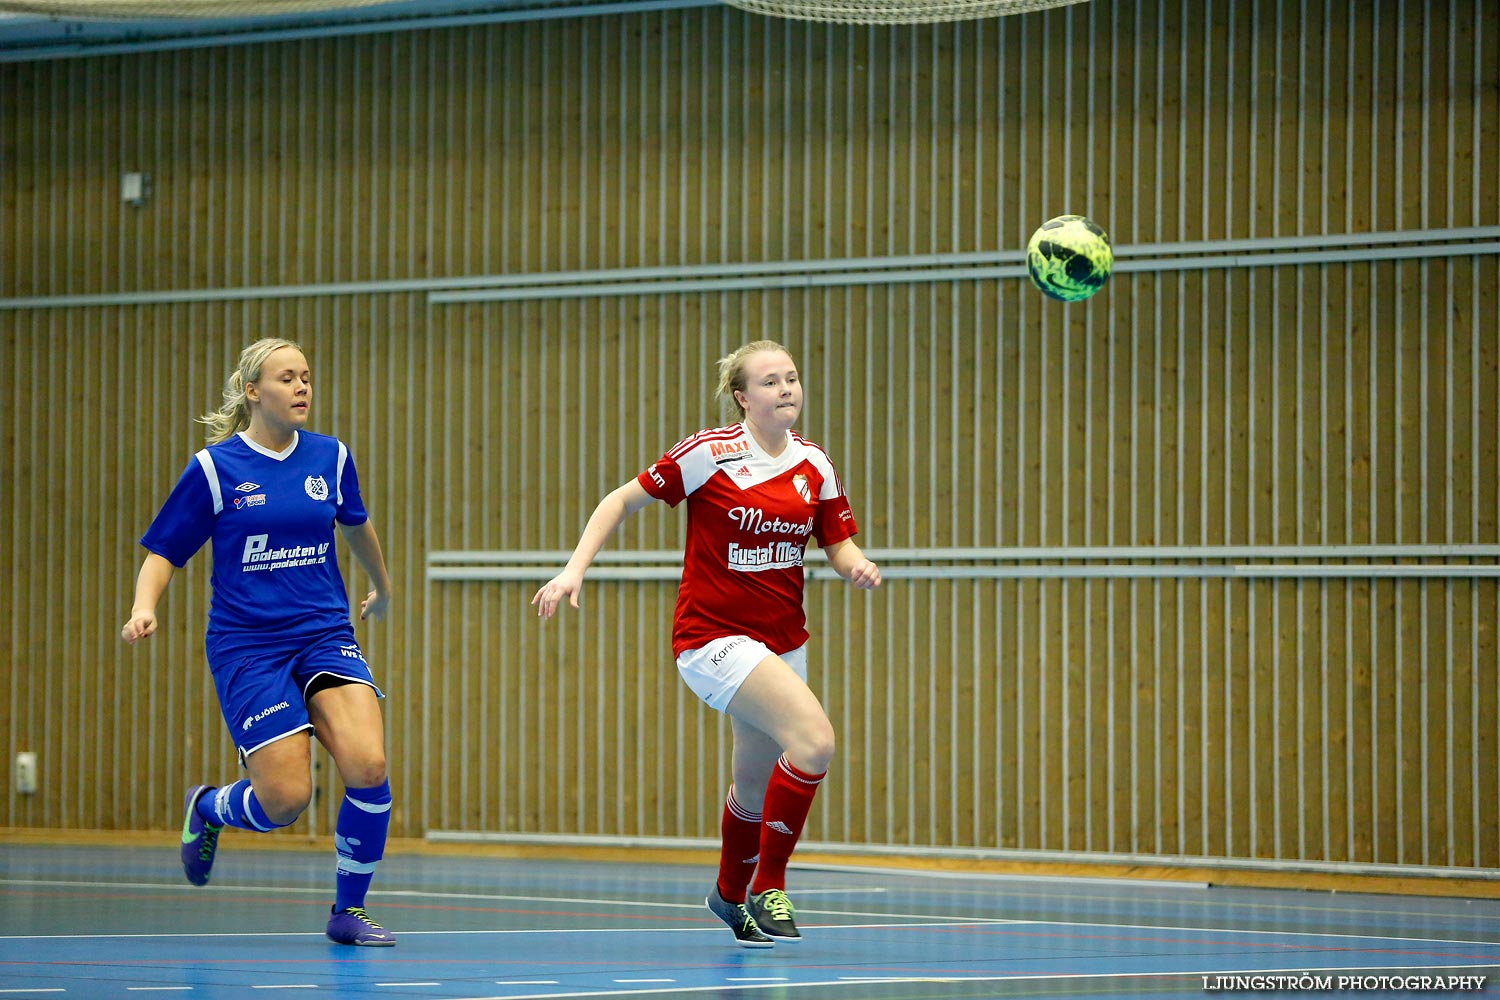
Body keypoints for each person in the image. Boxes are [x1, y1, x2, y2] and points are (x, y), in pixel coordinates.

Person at [532, 340, 881, 947]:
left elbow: (837, 541)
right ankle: (769, 884)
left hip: (782, 640)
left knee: (751, 780)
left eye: (792, 379)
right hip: (712, 637)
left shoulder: (814, 465)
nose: (787, 390)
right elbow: (622, 499)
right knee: (815, 741)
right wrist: (573, 569)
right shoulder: (710, 454)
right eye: (771, 382)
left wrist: (856, 564)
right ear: (743, 397)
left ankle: (726, 894)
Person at [121, 338, 398, 947]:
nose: (302, 387)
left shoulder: (331, 457)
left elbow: (356, 525)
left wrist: (381, 585)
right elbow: (164, 551)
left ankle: (346, 911)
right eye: (286, 378)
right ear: (253, 392)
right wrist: (145, 607)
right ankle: (210, 808)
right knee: (285, 799)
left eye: (307, 377)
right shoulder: (216, 469)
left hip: (323, 632)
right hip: (249, 647)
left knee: (369, 765)